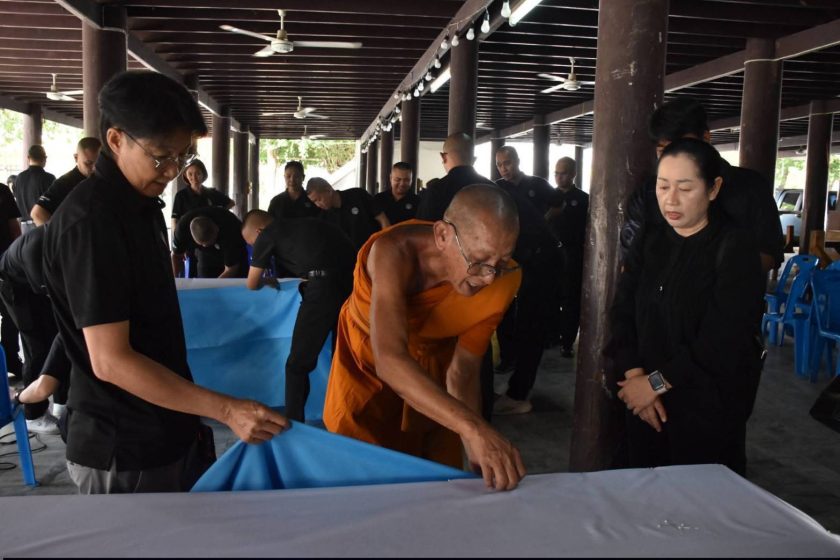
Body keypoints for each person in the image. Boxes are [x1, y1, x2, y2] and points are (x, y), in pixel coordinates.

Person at [42, 70, 288, 495]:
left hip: (165, 428)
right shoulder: (93, 222)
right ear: (116, 139)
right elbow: (110, 360)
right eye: (161, 157)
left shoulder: (141, 206)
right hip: (124, 444)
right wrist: (226, 410)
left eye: (182, 155)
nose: (173, 170)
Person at [323, 184, 527, 491]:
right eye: (479, 261)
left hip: (432, 377)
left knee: (437, 480)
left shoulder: (503, 279)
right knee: (362, 474)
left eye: (501, 263)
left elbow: (463, 371)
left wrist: (474, 446)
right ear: (442, 235)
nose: (488, 278)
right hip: (367, 364)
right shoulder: (392, 250)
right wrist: (474, 429)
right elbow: (389, 360)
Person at [607, 138, 765, 476]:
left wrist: (653, 385)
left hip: (705, 410)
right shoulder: (650, 239)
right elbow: (622, 312)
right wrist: (635, 377)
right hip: (644, 404)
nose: (671, 199)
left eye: (685, 188)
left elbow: (723, 338)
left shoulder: (734, 248)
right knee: (641, 489)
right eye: (663, 186)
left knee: (697, 495)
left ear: (713, 188)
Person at [621, 98, 784, 274]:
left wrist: (715, 267)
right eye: (663, 151)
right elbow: (631, 262)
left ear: (705, 138)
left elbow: (770, 254)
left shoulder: (750, 187)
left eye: (683, 148)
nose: (674, 159)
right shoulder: (646, 194)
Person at [242, 210, 356, 422]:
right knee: (341, 358)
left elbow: (251, 283)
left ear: (259, 231)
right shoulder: (309, 222)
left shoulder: (267, 233)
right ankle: (347, 418)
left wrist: (267, 280)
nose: (255, 247)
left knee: (297, 365)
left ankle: (293, 424)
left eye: (252, 243)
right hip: (353, 288)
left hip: (322, 290)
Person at [0, 226, 60, 434]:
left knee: (56, 336)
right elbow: (56, 297)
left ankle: (61, 402)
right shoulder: (37, 249)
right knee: (37, 347)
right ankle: (33, 414)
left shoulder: (60, 239)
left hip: (30, 283)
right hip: (14, 288)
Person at [545, 157, 589, 356]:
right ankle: (552, 335)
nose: (559, 177)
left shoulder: (583, 199)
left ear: (573, 174)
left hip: (573, 254)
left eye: (563, 173)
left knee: (571, 298)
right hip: (551, 254)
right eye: (556, 173)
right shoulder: (548, 196)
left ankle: (567, 341)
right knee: (550, 296)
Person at [416, 133, 495, 220]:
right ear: (474, 159)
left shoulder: (436, 190)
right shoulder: (492, 188)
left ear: (443, 157)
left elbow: (423, 226)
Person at [31, 137, 102, 226]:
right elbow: (37, 214)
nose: (94, 168)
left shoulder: (103, 179)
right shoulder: (65, 182)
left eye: (98, 163)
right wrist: (57, 234)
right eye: (88, 163)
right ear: (76, 158)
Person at [306, 178, 390, 249]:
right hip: (350, 259)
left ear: (328, 190)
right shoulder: (323, 218)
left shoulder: (358, 195)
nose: (318, 204)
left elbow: (382, 219)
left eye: (319, 199)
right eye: (314, 202)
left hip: (375, 250)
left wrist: (387, 243)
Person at [171, 206, 249, 279]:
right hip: (204, 254)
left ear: (217, 229)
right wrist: (175, 281)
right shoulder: (182, 229)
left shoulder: (230, 228)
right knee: (204, 277)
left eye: (210, 241)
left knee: (237, 278)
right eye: (203, 244)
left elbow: (232, 269)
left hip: (232, 247)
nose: (205, 245)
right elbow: (176, 256)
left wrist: (214, 286)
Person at [170, 159, 234, 232]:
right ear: (185, 175)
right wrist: (176, 236)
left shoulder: (212, 193)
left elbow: (231, 203)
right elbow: (175, 219)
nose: (194, 178)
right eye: (190, 174)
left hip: (210, 235)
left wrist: (218, 213)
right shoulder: (181, 195)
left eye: (198, 173)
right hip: (188, 235)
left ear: (203, 174)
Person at [0, 177, 22, 379]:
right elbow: (14, 229)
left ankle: (10, 359)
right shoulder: (2, 191)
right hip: (4, 260)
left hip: (4, 260)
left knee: (10, 312)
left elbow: (14, 228)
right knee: (10, 311)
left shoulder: (3, 192)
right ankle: (10, 359)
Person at [494, 146, 556, 215]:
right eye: (499, 165)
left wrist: (544, 220)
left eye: (507, 163)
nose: (503, 169)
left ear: (517, 162)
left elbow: (559, 204)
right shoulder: (497, 187)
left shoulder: (538, 183)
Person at [14, 145, 55, 233]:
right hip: (41, 225)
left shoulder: (19, 178)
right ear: (44, 158)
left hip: (23, 227)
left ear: (28, 158)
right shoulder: (49, 178)